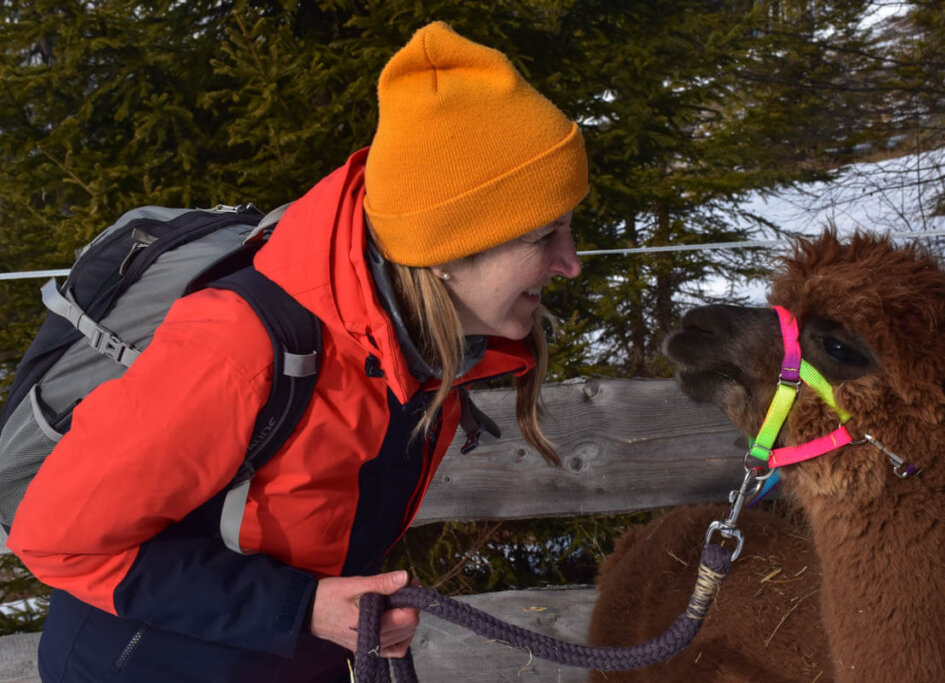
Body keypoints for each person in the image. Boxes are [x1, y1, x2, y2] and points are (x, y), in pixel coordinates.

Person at [6, 21, 588, 683]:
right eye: (544, 236)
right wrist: (302, 607)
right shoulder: (239, 347)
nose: (570, 263)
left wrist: (334, 613)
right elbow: (55, 537)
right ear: (446, 248)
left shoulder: (420, 349)